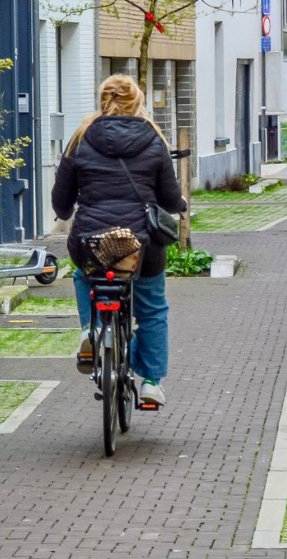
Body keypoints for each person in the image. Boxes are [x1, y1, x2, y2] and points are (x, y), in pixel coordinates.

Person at [51, 75, 186, 408]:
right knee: (152, 307)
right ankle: (152, 382)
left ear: (103, 100)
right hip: (141, 245)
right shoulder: (154, 140)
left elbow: (61, 203)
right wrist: (179, 204)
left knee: (83, 274)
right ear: (137, 102)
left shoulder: (80, 140)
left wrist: (67, 210)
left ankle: (90, 330)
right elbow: (169, 199)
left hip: (92, 242)